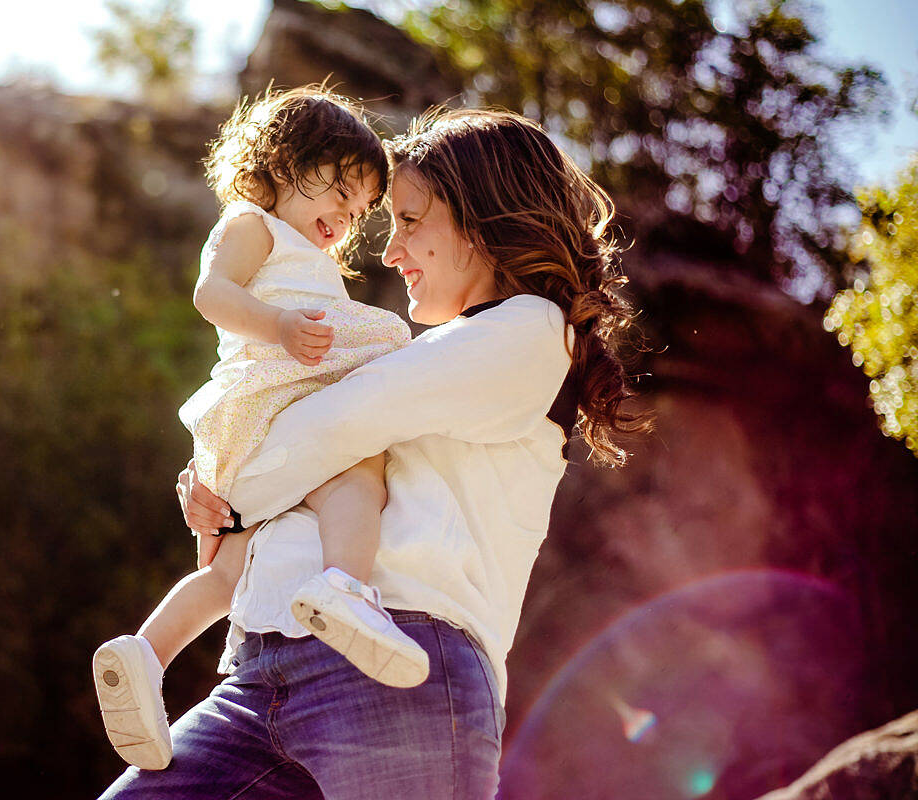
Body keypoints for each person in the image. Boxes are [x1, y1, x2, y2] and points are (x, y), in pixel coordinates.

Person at [99, 106, 649, 799]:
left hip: (401, 670)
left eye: (410, 221)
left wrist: (231, 489)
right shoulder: (430, 355)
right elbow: (309, 438)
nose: (388, 252)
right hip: (262, 671)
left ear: (485, 220)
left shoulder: (527, 330)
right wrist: (222, 490)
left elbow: (338, 424)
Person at [92, 86, 431, 772]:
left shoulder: (306, 252)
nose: (347, 214)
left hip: (254, 420)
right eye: (339, 189)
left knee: (225, 575)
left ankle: (144, 656)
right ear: (282, 164)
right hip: (265, 394)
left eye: (360, 207)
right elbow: (210, 294)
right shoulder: (254, 225)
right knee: (356, 470)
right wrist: (278, 326)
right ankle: (344, 586)